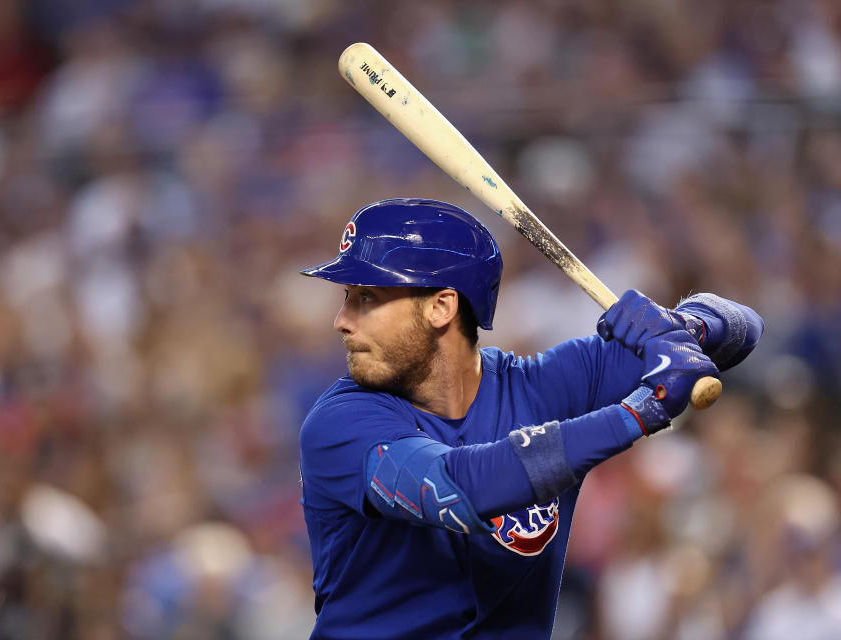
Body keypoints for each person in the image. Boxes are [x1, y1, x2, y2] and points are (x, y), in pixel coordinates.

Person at [298, 198, 763, 639]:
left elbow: (743, 326)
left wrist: (680, 328)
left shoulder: (543, 387)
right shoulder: (341, 423)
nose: (341, 319)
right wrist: (637, 413)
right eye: (348, 297)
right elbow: (456, 489)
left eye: (366, 298)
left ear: (442, 306)